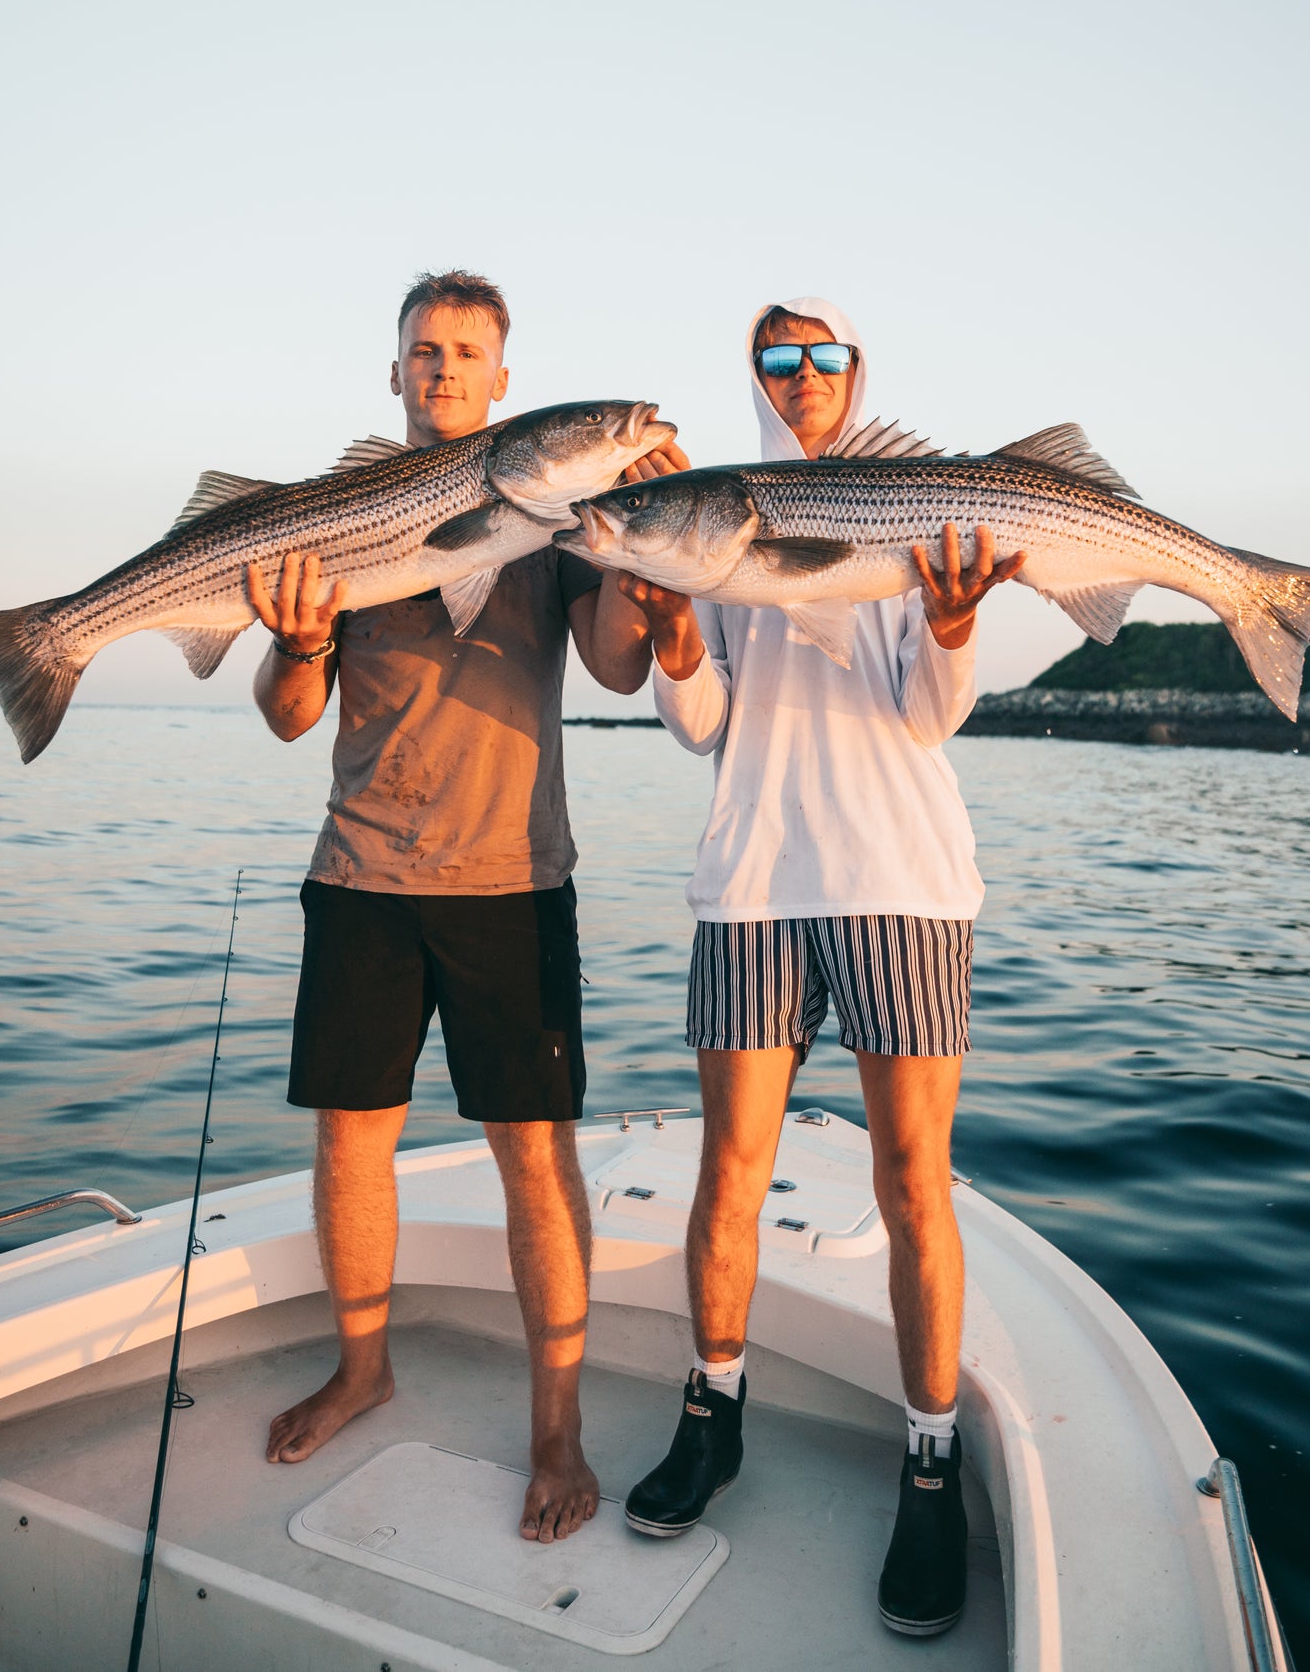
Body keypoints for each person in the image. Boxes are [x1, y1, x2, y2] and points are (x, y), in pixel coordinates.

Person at [245, 268, 687, 1545]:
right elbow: (285, 719)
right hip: (361, 876)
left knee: (536, 1159)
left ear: (505, 383)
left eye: (466, 353)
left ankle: (556, 1427)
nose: (441, 368)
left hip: (513, 881)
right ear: (394, 376)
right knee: (349, 1146)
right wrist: (301, 639)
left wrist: (643, 555)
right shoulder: (335, 518)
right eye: (421, 351)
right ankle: (363, 1365)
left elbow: (611, 667)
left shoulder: (560, 524)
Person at [616, 296, 1023, 1635]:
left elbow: (928, 711)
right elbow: (704, 722)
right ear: (755, 376)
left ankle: (927, 1454)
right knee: (728, 1168)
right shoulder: (714, 516)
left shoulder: (912, 505)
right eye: (773, 358)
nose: (797, 375)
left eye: (819, 356)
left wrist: (954, 625)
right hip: (751, 881)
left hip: (902, 882)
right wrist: (679, 637)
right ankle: (712, 1411)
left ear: (855, 371)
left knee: (914, 1178)